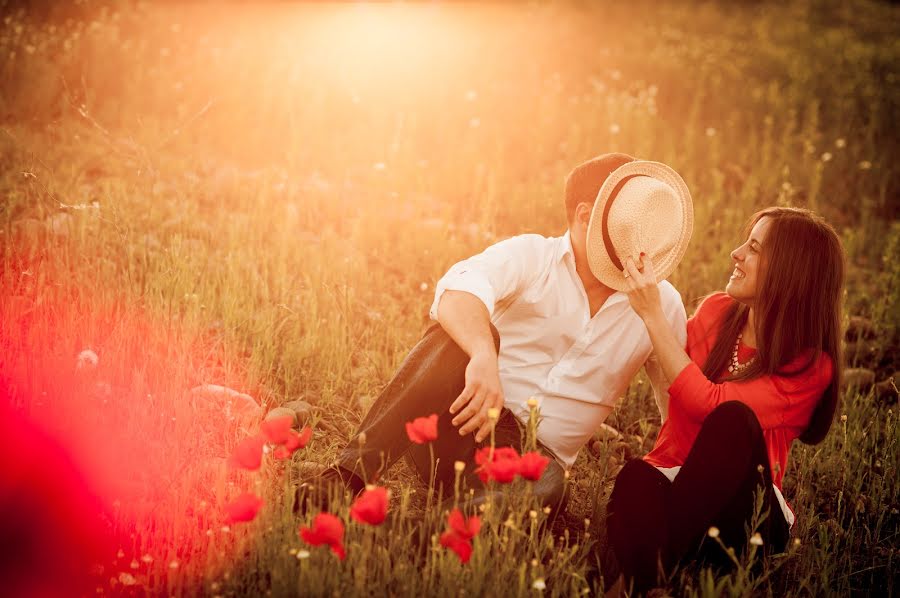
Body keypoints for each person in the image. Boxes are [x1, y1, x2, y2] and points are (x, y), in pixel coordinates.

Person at [299, 154, 694, 514]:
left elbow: (676, 403)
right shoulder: (532, 256)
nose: (635, 247)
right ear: (585, 216)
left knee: (550, 484)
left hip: (532, 462)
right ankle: (346, 477)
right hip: (464, 420)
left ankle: (433, 531)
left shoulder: (663, 304)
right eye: (624, 229)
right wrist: (483, 356)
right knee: (454, 338)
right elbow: (458, 291)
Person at [604, 207, 844, 595]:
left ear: (791, 272)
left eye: (753, 248)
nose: (735, 253)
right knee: (635, 476)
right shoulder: (717, 311)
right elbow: (673, 376)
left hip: (744, 519)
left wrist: (653, 315)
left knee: (733, 419)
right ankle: (650, 582)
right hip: (676, 477)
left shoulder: (810, 366)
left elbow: (706, 403)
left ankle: (647, 571)